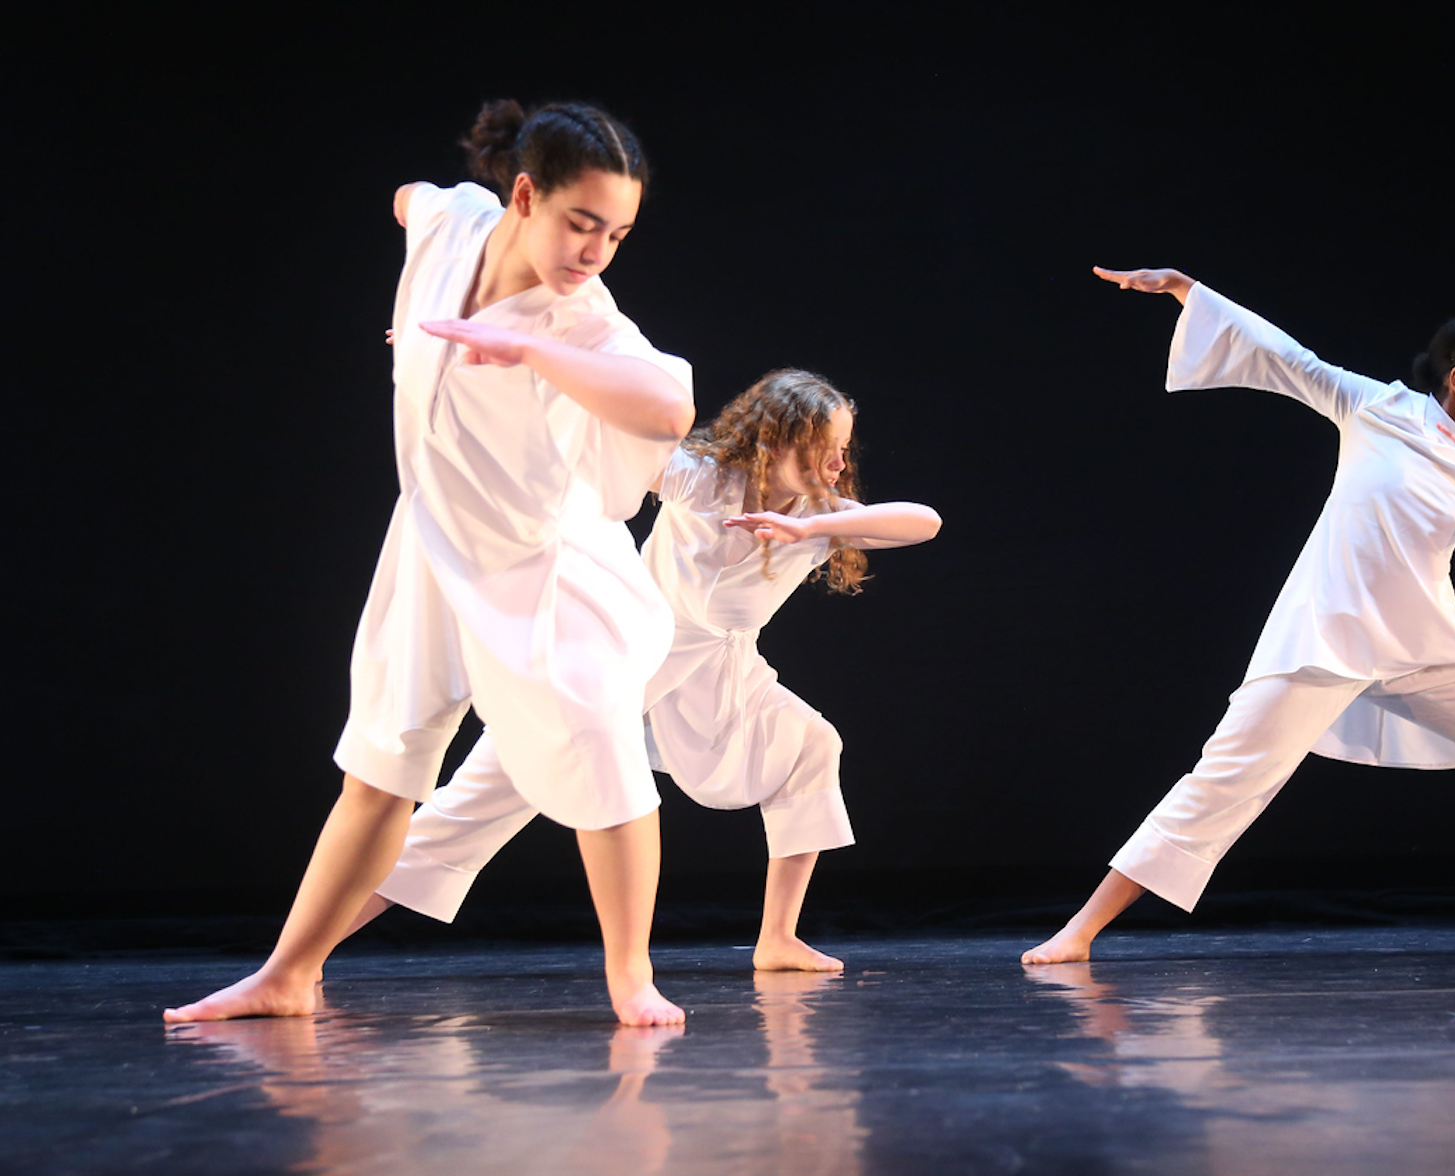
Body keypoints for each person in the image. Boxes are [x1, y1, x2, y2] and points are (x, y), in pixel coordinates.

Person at [165, 99, 696, 1026]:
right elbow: (413, 198)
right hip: (428, 546)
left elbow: (666, 409)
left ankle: (630, 975)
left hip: (535, 560)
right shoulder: (458, 222)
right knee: (381, 768)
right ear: (522, 194)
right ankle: (289, 974)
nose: (596, 250)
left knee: (601, 740)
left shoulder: (581, 317)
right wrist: (417, 324)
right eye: (581, 222)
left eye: (617, 233)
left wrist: (525, 341)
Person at [1023, 265, 1455, 966]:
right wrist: (1187, 291)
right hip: (1324, 639)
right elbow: (1288, 357)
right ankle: (1080, 930)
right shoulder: (1377, 409)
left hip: (1421, 647)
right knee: (1222, 780)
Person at [333, 369, 941, 972]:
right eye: (822, 448)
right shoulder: (703, 482)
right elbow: (596, 436)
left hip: (720, 682)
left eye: (842, 450)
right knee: (473, 806)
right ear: (774, 442)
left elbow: (924, 522)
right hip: (620, 666)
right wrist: (465, 364)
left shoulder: (819, 518)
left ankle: (776, 939)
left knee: (812, 745)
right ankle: (306, 952)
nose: (837, 464)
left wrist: (813, 526)